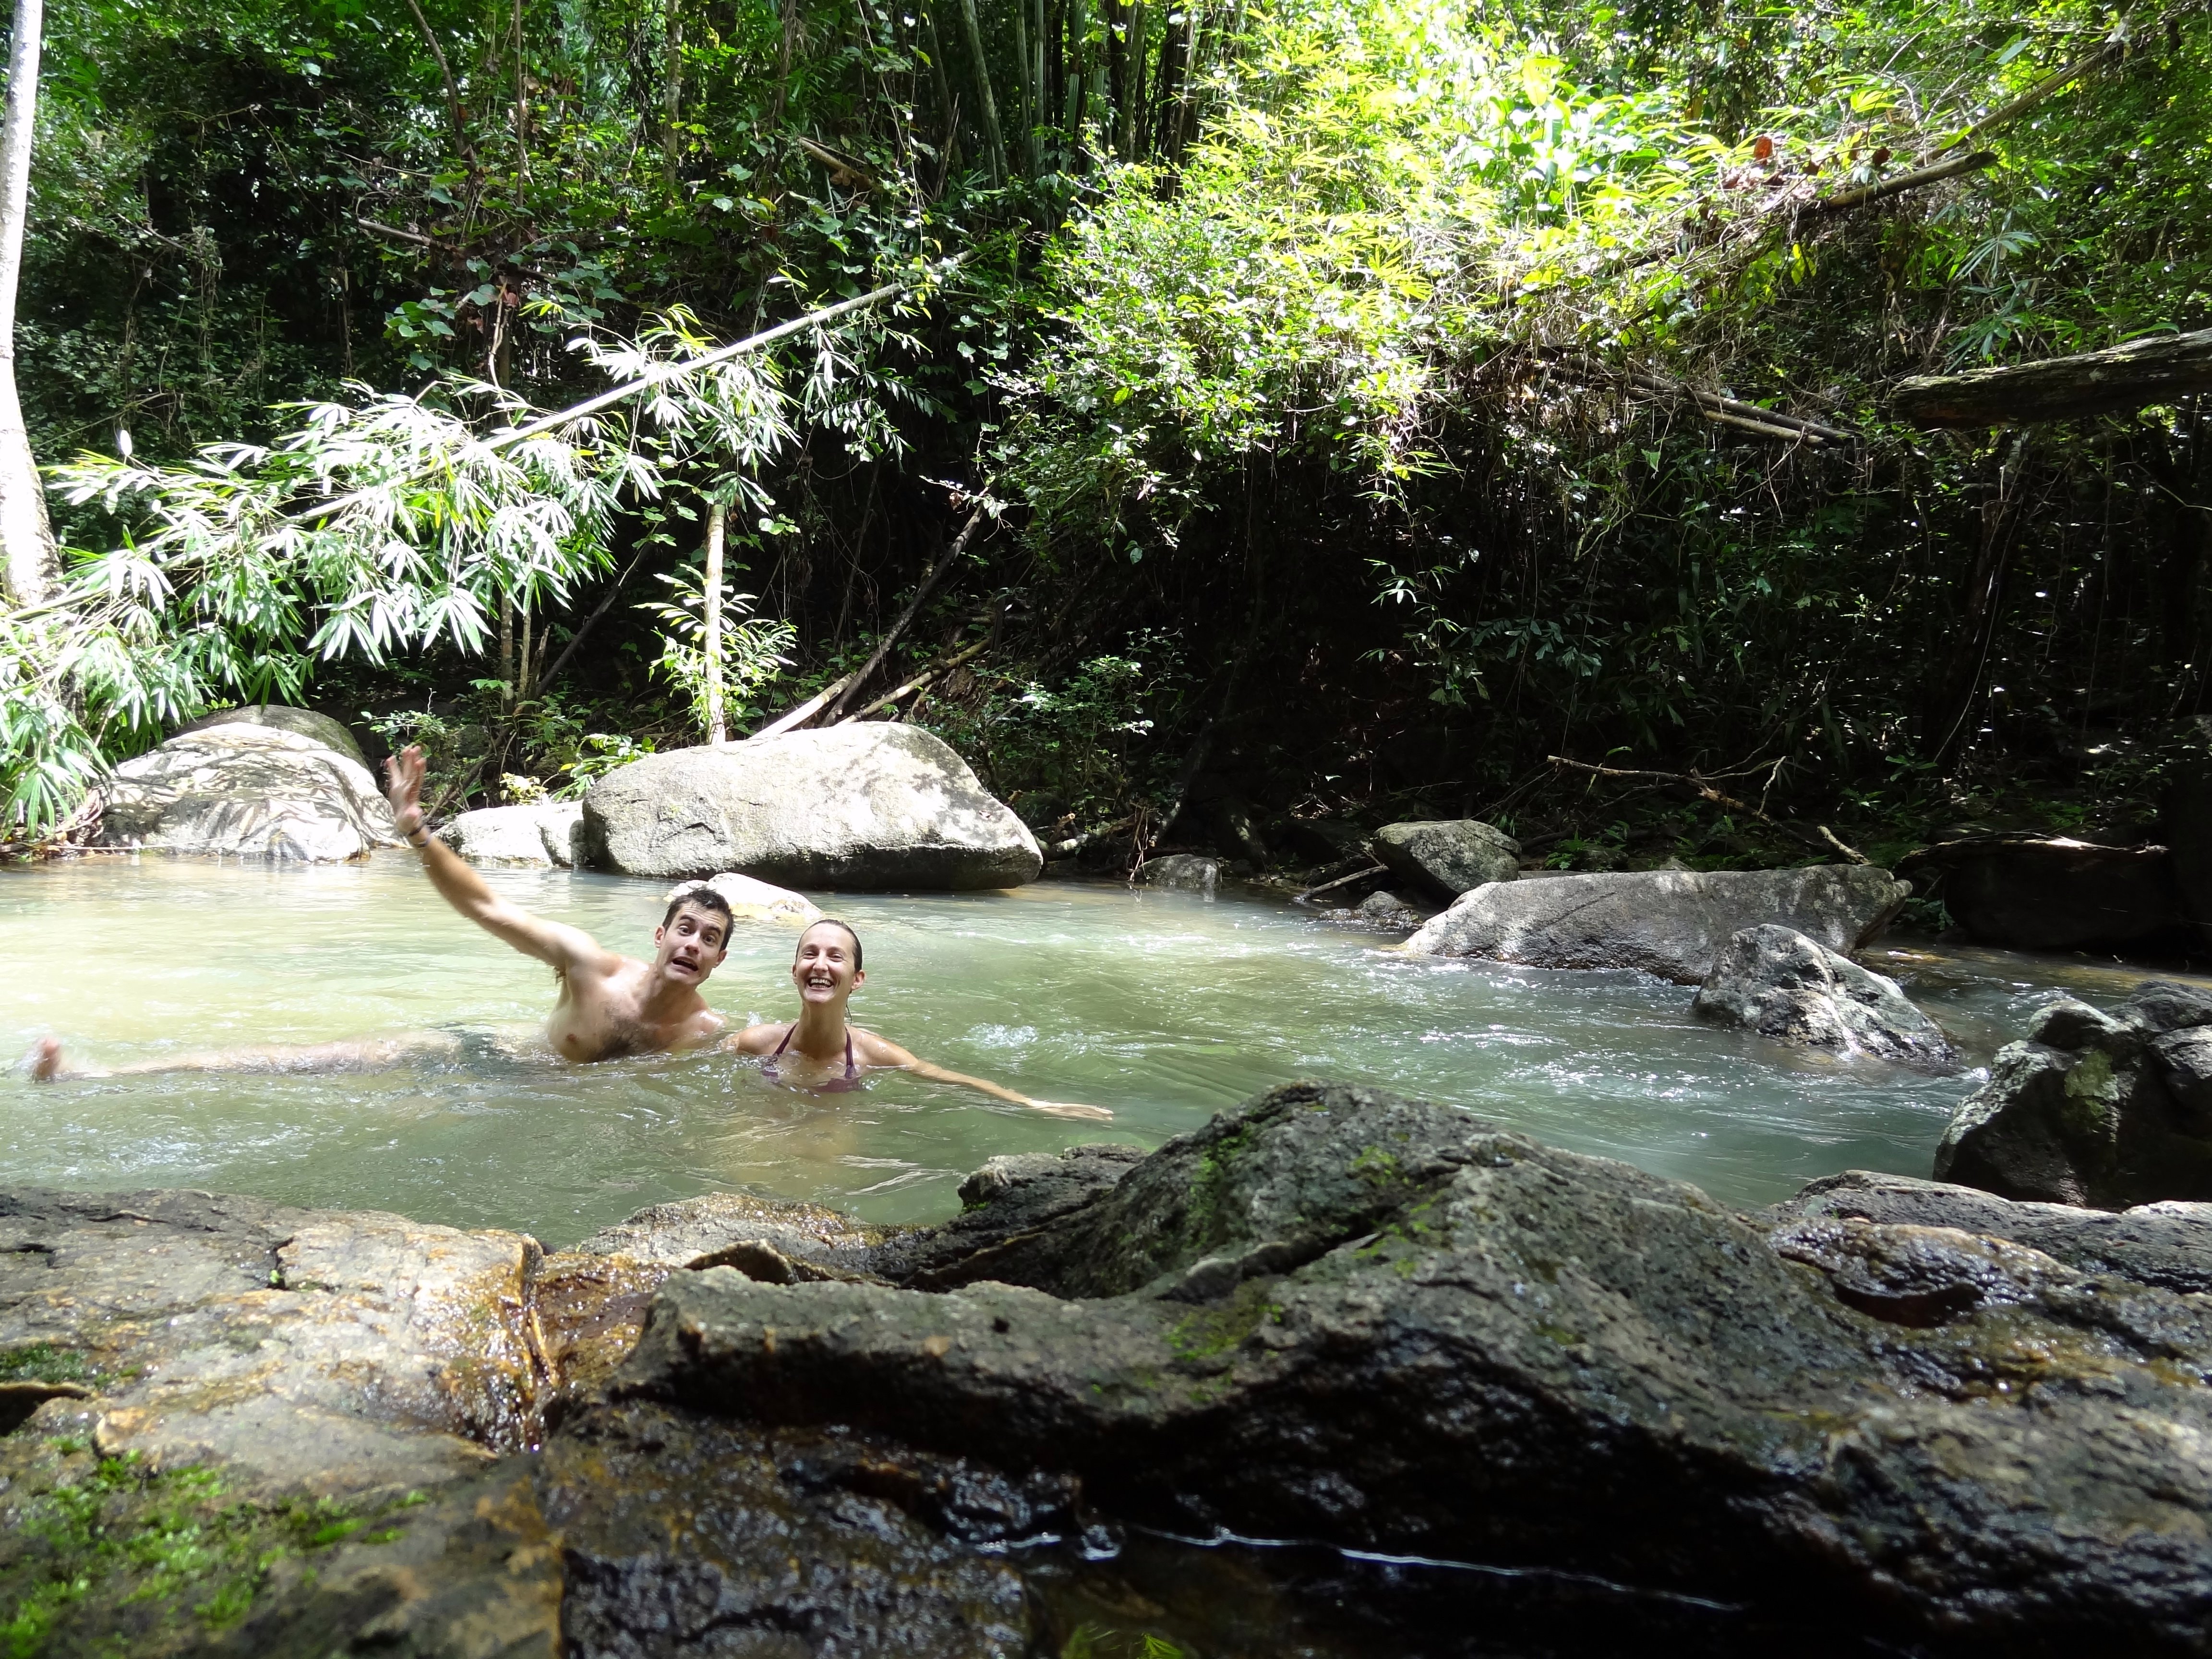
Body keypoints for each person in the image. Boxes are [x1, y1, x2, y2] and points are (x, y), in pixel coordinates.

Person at [27, 743, 736, 1080]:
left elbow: (796, 1050)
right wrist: (418, 831)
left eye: (709, 939)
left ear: (719, 960)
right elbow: (486, 905)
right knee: (299, 1064)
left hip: (543, 1103)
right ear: (660, 933)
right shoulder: (588, 966)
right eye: (686, 928)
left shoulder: (707, 1033)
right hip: (488, 1060)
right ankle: (101, 1076)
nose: (694, 944)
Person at [729, 918, 1113, 1119]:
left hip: (834, 1125)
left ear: (857, 980)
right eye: (810, 954)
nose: (820, 965)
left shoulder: (872, 1054)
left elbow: (953, 1079)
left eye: (836, 956)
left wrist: (1031, 1103)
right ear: (794, 969)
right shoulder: (755, 1043)